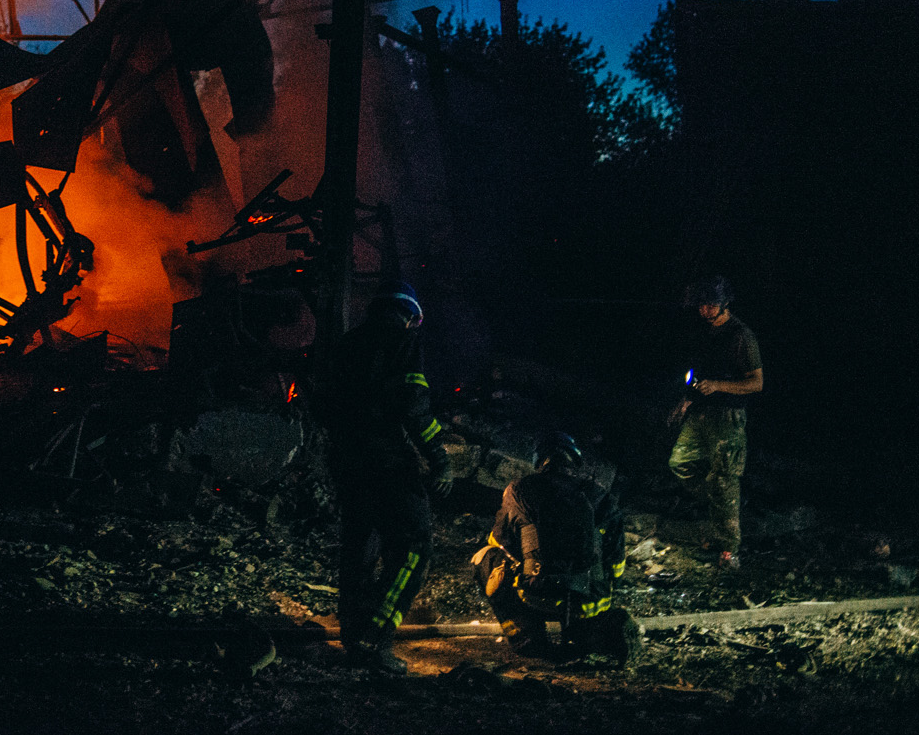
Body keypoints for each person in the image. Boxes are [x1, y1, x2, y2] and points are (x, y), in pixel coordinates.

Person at [315, 281, 453, 674]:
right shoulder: (403, 340)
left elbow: (323, 406)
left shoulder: (346, 344)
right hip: (387, 460)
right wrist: (439, 457)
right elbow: (413, 405)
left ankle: (353, 637)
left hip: (347, 463)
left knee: (360, 547)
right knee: (413, 545)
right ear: (410, 316)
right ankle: (375, 640)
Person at [471, 431, 637, 664]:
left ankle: (526, 636)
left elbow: (500, 540)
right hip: (589, 601)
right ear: (575, 461)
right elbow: (616, 559)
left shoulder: (519, 490)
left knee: (485, 557)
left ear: (539, 461)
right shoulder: (600, 496)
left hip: (536, 596)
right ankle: (591, 634)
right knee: (590, 607)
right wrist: (604, 587)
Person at [668, 276, 762, 570]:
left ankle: (729, 550)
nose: (704, 310)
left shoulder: (741, 336)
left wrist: (719, 386)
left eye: (711, 305)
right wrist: (685, 401)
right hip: (701, 413)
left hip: (727, 417)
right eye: (701, 304)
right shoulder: (707, 333)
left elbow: (756, 383)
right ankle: (725, 504)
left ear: (724, 304)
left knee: (725, 479)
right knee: (680, 463)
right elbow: (699, 372)